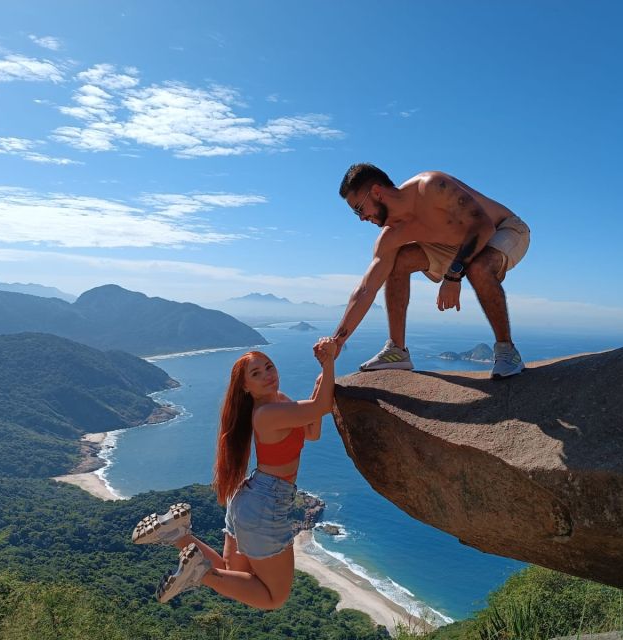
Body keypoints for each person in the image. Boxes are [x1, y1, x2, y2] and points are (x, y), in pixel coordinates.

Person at [130, 337, 336, 609]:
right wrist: (329, 364)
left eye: (269, 367)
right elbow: (322, 407)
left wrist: (319, 386)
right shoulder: (268, 413)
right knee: (273, 598)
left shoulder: (280, 403)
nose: (267, 375)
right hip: (266, 505)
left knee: (231, 574)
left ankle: (178, 534)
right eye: (256, 373)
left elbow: (312, 432)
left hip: (250, 499)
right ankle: (200, 573)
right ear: (246, 387)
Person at [332, 163, 530, 378]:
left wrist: (453, 277)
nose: (361, 218)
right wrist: (337, 341)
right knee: (398, 261)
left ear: (377, 192)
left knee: (478, 268)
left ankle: (507, 352)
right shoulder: (391, 236)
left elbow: (482, 227)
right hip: (456, 245)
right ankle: (397, 351)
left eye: (359, 209)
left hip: (502, 229)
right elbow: (365, 289)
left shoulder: (431, 187)